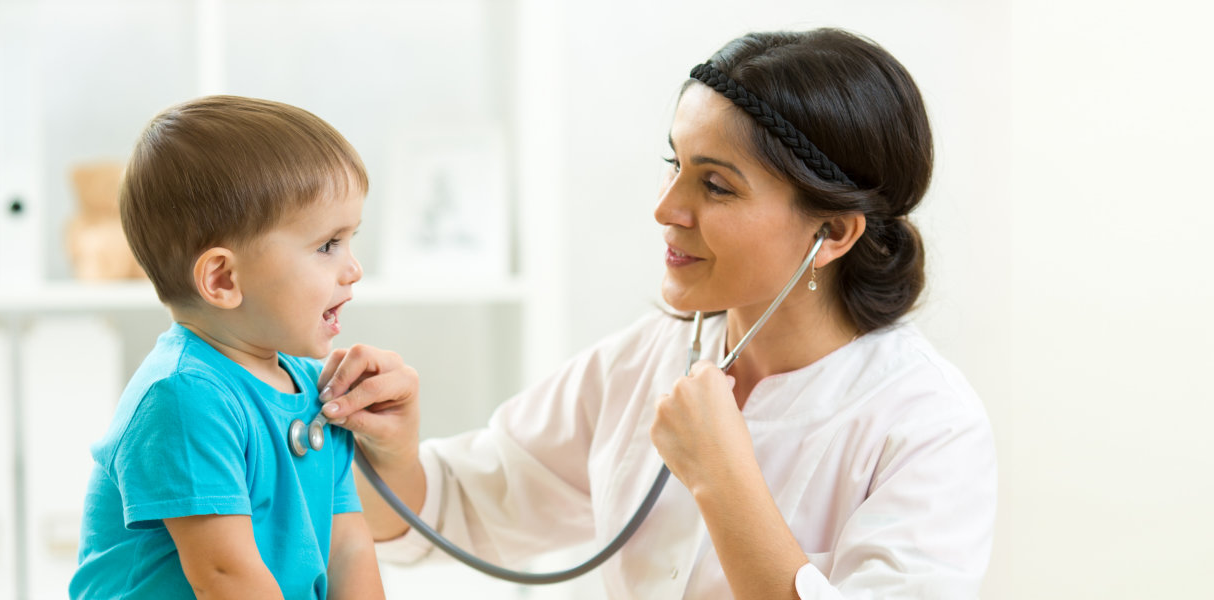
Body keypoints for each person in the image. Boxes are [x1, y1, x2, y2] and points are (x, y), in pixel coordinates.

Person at [315, 29, 997, 598]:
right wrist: (393, 455)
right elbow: (465, 506)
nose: (666, 208)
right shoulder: (646, 359)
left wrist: (722, 477)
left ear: (833, 235)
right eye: (675, 164)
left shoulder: (927, 423)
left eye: (715, 184)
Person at [69, 95, 385, 599]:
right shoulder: (183, 396)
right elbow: (226, 578)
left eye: (351, 240)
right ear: (222, 278)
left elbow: (347, 547)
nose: (353, 269)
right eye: (328, 245)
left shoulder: (311, 387)